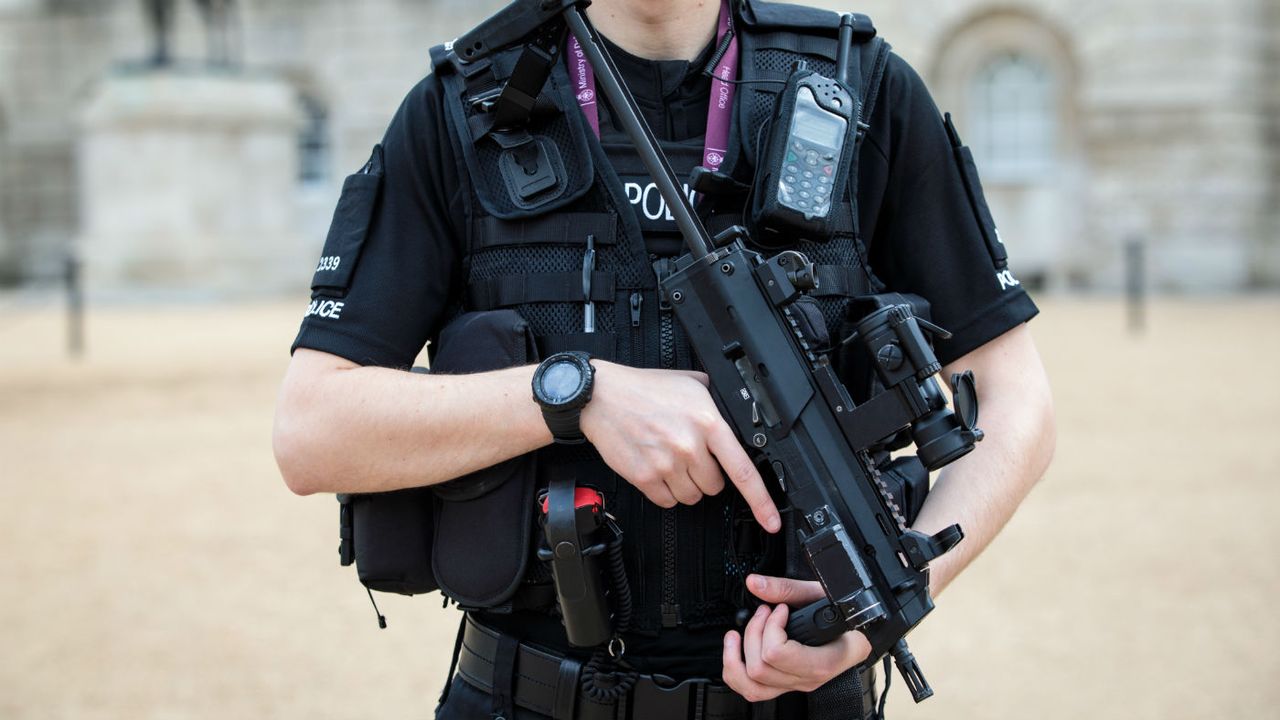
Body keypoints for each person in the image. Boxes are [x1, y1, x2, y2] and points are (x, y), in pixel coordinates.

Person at [273, 0, 1056, 717]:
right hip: (525, 699)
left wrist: (893, 601)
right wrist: (571, 396)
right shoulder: (462, 108)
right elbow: (312, 431)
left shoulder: (861, 89)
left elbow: (1015, 399)